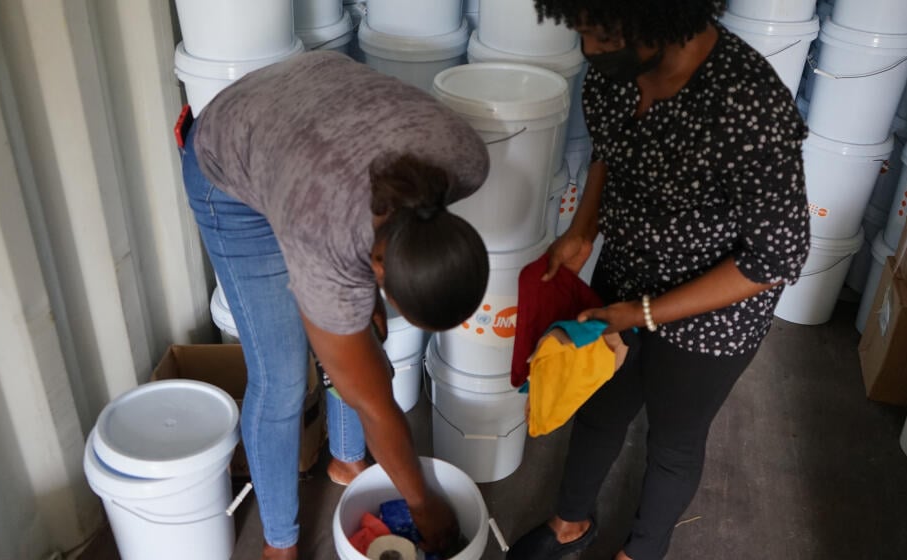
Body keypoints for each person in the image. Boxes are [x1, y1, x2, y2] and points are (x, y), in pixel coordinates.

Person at [508, 1, 810, 559]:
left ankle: (640, 551)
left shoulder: (748, 106)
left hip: (712, 316)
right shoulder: (616, 75)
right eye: (581, 33)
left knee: (673, 439)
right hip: (625, 274)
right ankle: (570, 522)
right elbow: (609, 149)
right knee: (600, 403)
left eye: (603, 33)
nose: (591, 50)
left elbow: (775, 257)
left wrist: (643, 315)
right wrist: (582, 229)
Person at [179, 51, 490, 560]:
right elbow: (372, 397)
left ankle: (349, 463)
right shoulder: (323, 232)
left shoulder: (465, 162)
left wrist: (361, 316)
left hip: (311, 114)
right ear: (381, 267)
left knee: (358, 348)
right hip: (233, 156)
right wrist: (423, 504)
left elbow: (363, 358)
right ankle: (279, 541)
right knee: (280, 377)